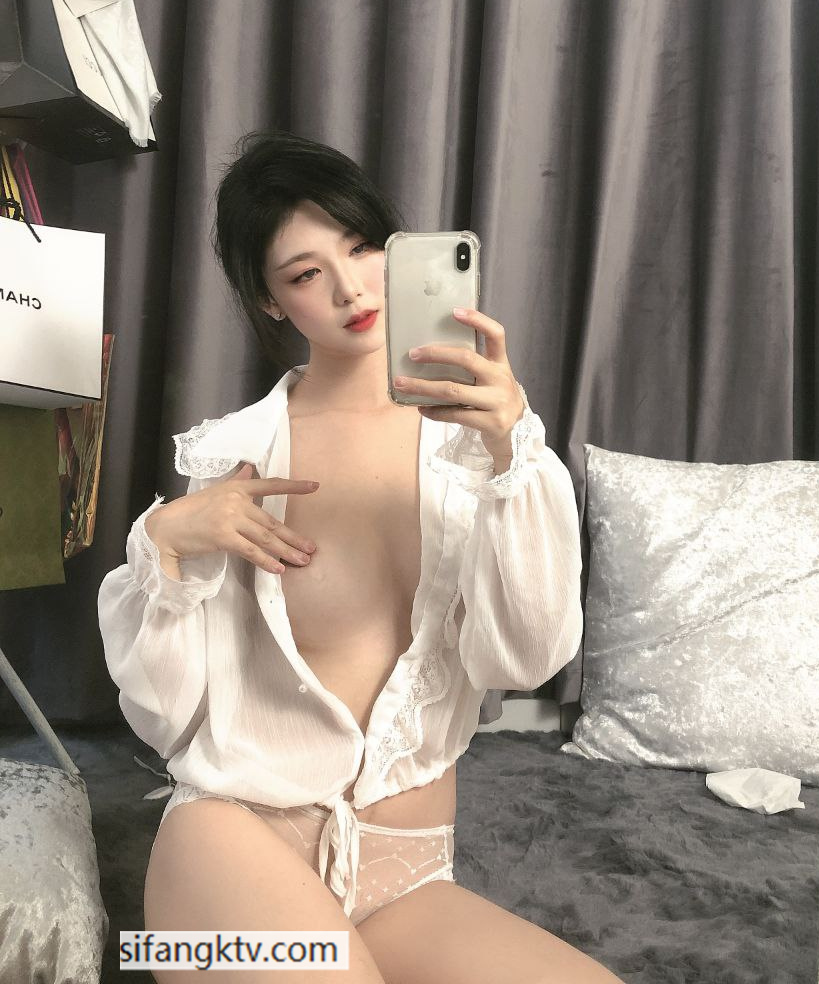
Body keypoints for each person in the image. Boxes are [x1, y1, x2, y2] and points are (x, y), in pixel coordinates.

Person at [97, 130, 622, 983]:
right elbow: (166, 716)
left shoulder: (484, 454)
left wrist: (513, 455)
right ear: (270, 302)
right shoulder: (235, 456)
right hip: (223, 854)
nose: (350, 289)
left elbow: (528, 661)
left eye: (364, 247)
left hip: (405, 875)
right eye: (306, 274)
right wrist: (164, 545)